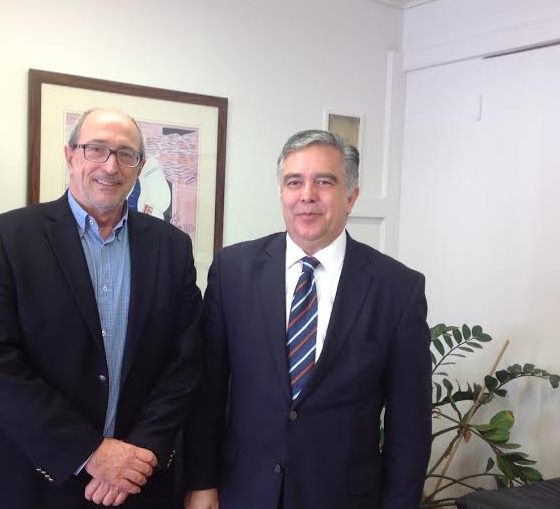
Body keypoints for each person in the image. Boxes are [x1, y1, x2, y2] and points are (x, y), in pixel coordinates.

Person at [0, 108, 202, 508]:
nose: (111, 166)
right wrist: (89, 452)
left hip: (135, 483)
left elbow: (185, 362)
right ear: (70, 156)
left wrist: (139, 453)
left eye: (126, 154)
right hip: (28, 479)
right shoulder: (10, 237)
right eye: (96, 149)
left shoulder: (171, 248)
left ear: (140, 167)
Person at [184, 130, 432, 509]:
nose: (307, 195)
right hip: (242, 491)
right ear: (281, 192)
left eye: (324, 182)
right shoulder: (232, 270)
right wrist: (201, 483)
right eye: (294, 182)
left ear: (351, 196)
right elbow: (208, 392)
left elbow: (409, 424)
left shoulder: (398, 289)